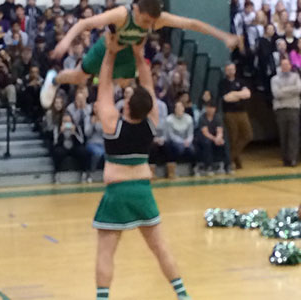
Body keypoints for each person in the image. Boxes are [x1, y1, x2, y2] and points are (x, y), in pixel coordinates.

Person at [93, 33, 191, 300]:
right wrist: (139, 52)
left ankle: (103, 297)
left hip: (116, 194)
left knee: (105, 252)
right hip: (143, 191)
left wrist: (110, 53)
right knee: (160, 248)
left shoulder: (112, 122)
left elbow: (103, 86)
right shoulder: (151, 122)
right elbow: (147, 83)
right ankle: (183, 295)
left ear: (126, 105)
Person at [40, 0, 239, 108]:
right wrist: (65, 42)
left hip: (128, 52)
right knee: (78, 77)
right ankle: (54, 79)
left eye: (152, 23)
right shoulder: (121, 14)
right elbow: (85, 23)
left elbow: (193, 24)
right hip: (106, 47)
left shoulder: (157, 19)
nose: (149, 26)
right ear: (135, 9)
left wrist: (223, 36)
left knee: (126, 85)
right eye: (145, 21)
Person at [219, 62, 253, 169]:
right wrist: (239, 94)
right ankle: (235, 162)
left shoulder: (241, 81)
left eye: (232, 69)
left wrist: (234, 94)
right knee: (233, 138)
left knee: (248, 135)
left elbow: (247, 95)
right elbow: (226, 98)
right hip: (230, 113)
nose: (231, 71)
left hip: (242, 112)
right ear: (225, 71)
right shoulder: (223, 83)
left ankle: (229, 159)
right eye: (228, 69)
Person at [271, 58, 301, 167]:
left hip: (293, 108)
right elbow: (276, 94)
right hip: (280, 110)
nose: (285, 66)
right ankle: (285, 159)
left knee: (293, 135)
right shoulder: (274, 79)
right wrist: (290, 91)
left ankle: (292, 158)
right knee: (283, 135)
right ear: (280, 66)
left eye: (287, 64)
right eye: (283, 64)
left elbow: (298, 89)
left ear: (290, 66)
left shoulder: (296, 77)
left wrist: (283, 90)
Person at [198, 102, 231, 175]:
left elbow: (220, 130)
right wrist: (214, 139)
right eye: (208, 108)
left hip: (215, 136)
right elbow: (205, 132)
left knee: (225, 142)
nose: (210, 110)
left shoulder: (218, 117)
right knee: (207, 142)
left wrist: (219, 138)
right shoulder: (202, 118)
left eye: (212, 108)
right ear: (206, 108)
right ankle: (208, 166)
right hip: (205, 137)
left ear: (215, 109)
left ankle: (227, 166)